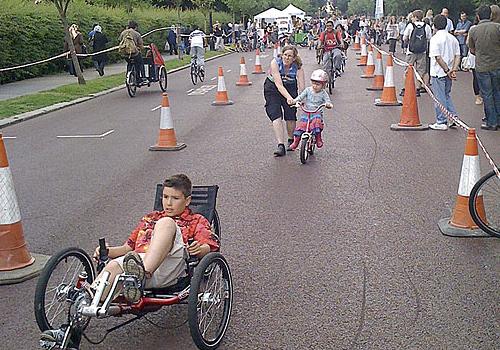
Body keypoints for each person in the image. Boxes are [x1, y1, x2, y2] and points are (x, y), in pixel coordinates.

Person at [39, 174, 220, 347]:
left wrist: (200, 248)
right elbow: (128, 248)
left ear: (187, 201)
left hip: (169, 266)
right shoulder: (149, 218)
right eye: (165, 197)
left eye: (175, 198)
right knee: (112, 267)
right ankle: (69, 328)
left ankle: (140, 275)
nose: (168, 203)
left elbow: (210, 246)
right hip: (136, 264)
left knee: (165, 223)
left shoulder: (196, 220)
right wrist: (108, 251)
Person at [264, 45, 305, 157]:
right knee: (275, 114)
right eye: (285, 55)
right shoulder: (275, 63)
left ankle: (291, 140)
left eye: (290, 56)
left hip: (290, 86)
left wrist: (302, 97)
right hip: (273, 87)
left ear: (294, 58)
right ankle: (280, 145)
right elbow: (279, 84)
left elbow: (301, 85)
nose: (287, 58)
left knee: (290, 114)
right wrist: (288, 98)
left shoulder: (298, 66)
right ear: (282, 55)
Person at [468, 5, 500, 131]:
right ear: (490, 15)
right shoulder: (497, 28)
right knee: (497, 92)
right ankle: (498, 119)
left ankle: (491, 121)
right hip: (497, 64)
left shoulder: (474, 30)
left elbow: (471, 49)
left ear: (478, 16)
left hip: (482, 66)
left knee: (487, 94)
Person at [428, 14, 461, 130]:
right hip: (450, 71)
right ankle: (453, 117)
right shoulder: (453, 38)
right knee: (446, 95)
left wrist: (447, 70)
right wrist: (453, 69)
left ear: (434, 25)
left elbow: (437, 57)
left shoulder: (435, 39)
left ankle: (441, 121)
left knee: (439, 97)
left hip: (438, 71)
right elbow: (458, 55)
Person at [287, 69, 333, 150]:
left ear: (323, 85)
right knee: (300, 127)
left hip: (316, 113)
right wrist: (295, 101)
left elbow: (327, 101)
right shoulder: (308, 90)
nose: (315, 86)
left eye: (318, 84)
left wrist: (328, 104)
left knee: (317, 124)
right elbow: (300, 97)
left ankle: (318, 138)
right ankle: (295, 142)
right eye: (314, 83)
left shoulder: (323, 93)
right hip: (306, 112)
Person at [403, 10, 432, 96]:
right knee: (421, 71)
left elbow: (405, 37)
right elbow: (429, 38)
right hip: (422, 51)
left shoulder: (410, 26)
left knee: (408, 70)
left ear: (415, 17)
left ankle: (406, 88)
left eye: (412, 17)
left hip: (411, 51)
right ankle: (417, 89)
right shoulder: (427, 27)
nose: (411, 18)